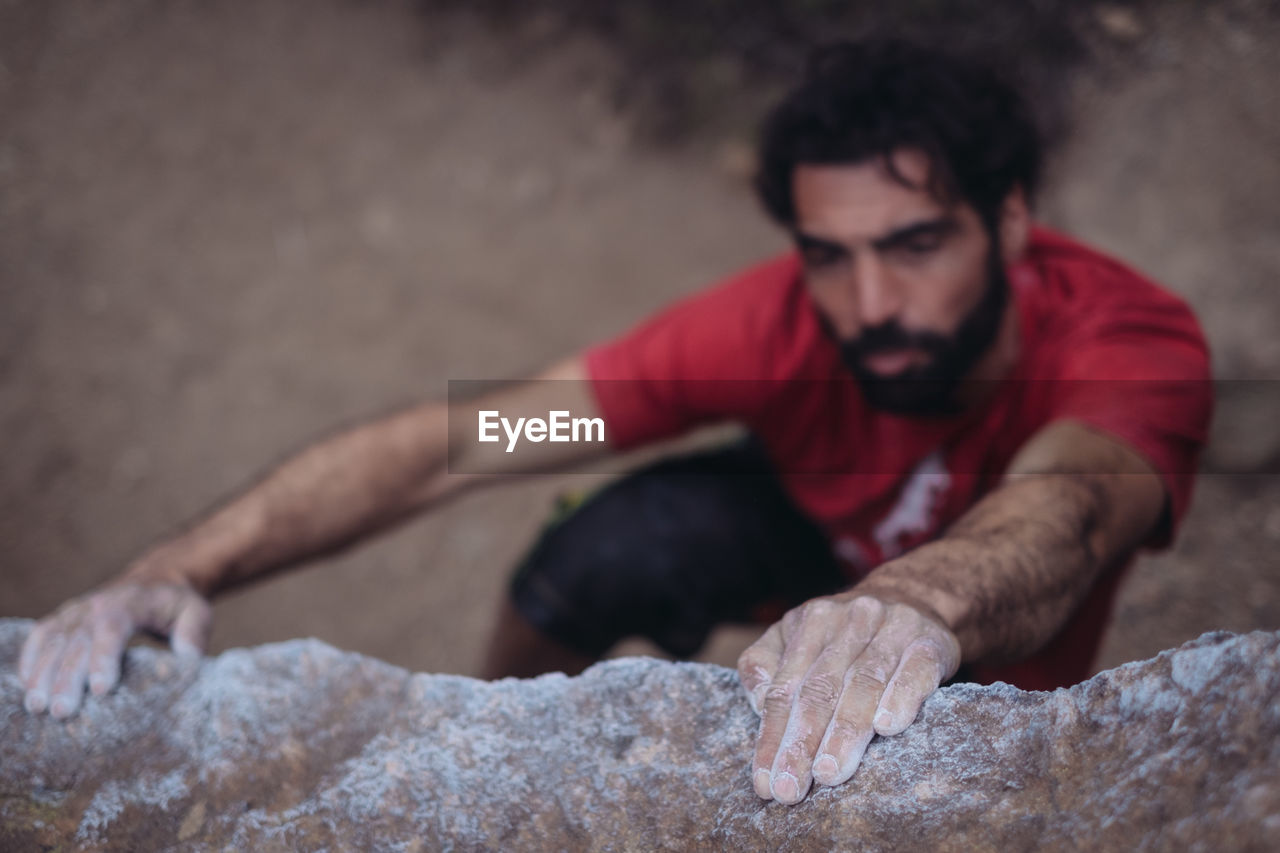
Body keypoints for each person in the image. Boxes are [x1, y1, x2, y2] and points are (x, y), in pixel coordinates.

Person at [18, 40, 1211, 806]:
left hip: (981, 637)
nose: (870, 305)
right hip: (811, 548)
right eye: (827, 257)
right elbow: (460, 445)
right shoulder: (772, 332)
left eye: (913, 246)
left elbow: (1066, 509)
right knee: (600, 548)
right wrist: (172, 568)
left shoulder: (1128, 341)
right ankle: (497, 760)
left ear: (1008, 224)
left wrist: (916, 602)